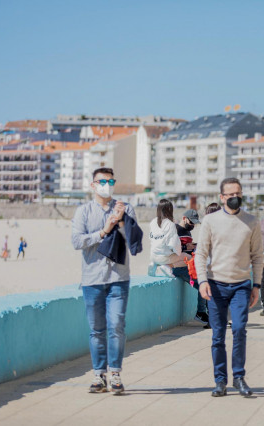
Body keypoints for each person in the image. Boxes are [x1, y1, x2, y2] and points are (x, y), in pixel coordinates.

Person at [71, 167, 142, 394]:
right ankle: (98, 375)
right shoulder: (83, 211)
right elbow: (76, 241)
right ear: (93, 185)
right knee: (96, 330)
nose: (107, 185)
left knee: (117, 327)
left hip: (118, 277)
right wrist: (103, 231)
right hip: (92, 279)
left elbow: (134, 241)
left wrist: (121, 222)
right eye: (102, 181)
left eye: (111, 181)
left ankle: (115, 373)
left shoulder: (126, 208)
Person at [196, 177, 263, 397]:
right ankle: (220, 380)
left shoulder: (252, 221)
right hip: (215, 285)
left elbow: (257, 256)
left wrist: (257, 285)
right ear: (222, 197)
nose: (235, 198)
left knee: (239, 330)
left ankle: (239, 377)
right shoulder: (210, 221)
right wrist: (202, 280)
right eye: (231, 194)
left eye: (238, 194)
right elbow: (201, 254)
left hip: (241, 286)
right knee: (217, 335)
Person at [174, 209, 209, 326]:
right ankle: (201, 312)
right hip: (178, 266)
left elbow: (186, 247)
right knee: (202, 285)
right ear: (184, 218)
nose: (193, 225)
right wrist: (185, 248)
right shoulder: (175, 230)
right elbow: (172, 249)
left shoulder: (187, 232)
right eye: (191, 222)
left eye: (194, 223)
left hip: (187, 265)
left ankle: (204, 312)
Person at [149, 199, 191, 277]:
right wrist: (179, 253)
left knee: (161, 254)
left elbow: (152, 239)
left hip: (153, 256)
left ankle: (154, 264)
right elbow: (174, 244)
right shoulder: (170, 224)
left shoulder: (153, 222)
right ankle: (167, 266)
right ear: (170, 210)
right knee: (188, 258)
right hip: (164, 258)